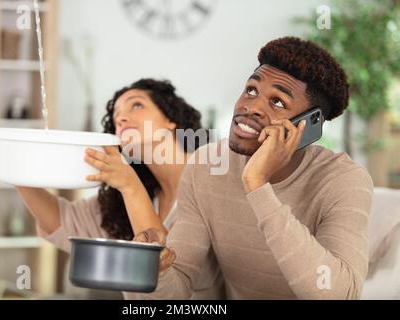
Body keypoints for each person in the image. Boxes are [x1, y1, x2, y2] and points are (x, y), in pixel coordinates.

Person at [134, 37, 374, 300]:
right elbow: (178, 286)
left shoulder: (343, 180)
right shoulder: (207, 165)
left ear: (308, 125)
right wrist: (157, 272)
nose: (251, 107)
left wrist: (258, 185)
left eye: (278, 102)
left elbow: (339, 295)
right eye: (251, 89)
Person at [10, 78, 225, 299]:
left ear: (171, 119)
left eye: (137, 105)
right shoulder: (127, 199)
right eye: (116, 117)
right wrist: (14, 169)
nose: (121, 118)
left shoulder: (212, 182)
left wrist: (131, 186)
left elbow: (173, 285)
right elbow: (57, 220)